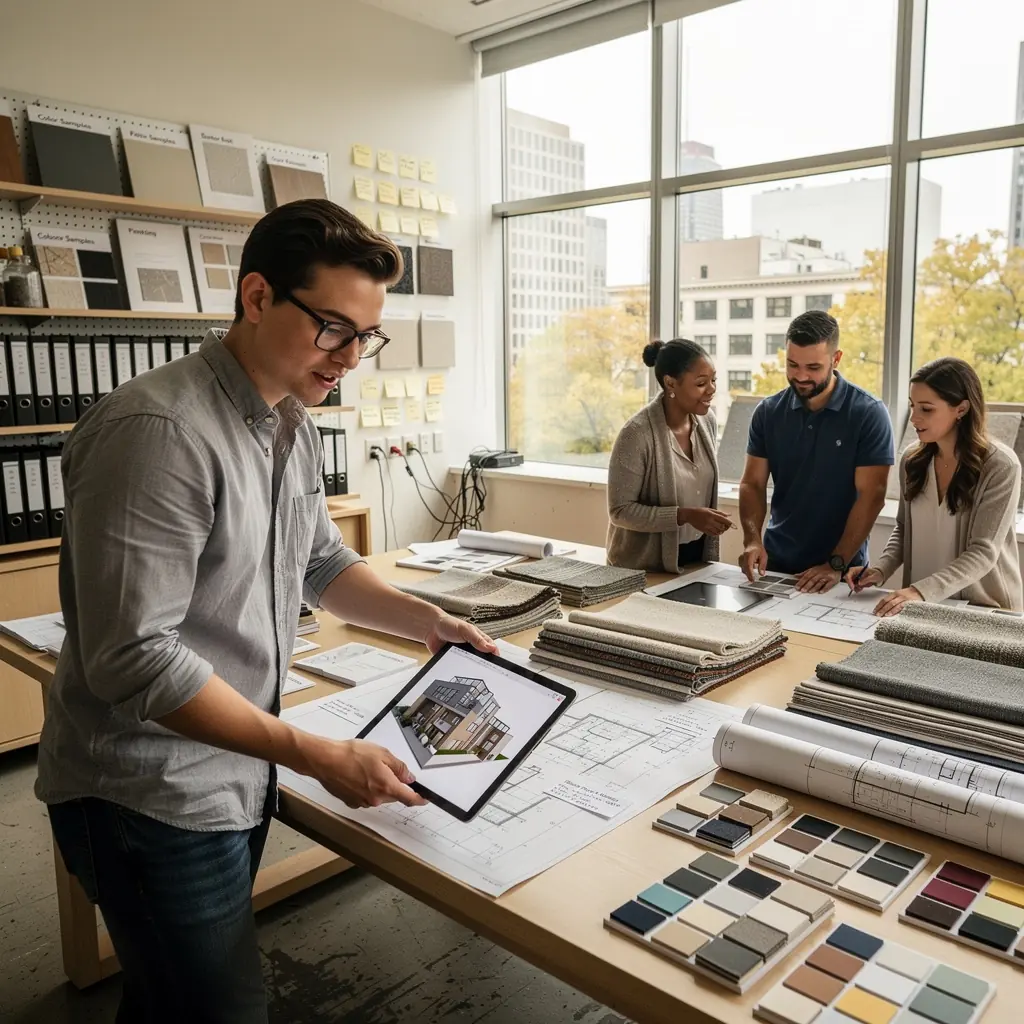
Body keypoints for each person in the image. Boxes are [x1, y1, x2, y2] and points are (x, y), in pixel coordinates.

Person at [34, 199, 497, 1023]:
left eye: (366, 336)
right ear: (256, 297)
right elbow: (135, 659)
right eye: (333, 329)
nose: (352, 357)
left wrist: (428, 623)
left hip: (229, 762)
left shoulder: (289, 419)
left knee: (172, 995)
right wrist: (318, 754)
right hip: (149, 791)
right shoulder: (160, 431)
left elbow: (318, 562)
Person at [847, 357, 1023, 615]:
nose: (914, 418)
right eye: (912, 406)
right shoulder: (911, 460)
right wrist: (880, 569)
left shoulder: (1001, 466)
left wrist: (920, 591)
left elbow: (983, 553)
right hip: (922, 607)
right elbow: (904, 529)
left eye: (926, 409)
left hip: (983, 610)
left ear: (961, 409)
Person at [738, 310, 893, 592]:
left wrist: (835, 564)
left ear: (836, 359)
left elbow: (872, 496)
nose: (800, 376)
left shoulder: (868, 413)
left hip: (841, 573)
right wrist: (752, 540)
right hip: (776, 565)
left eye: (813, 367)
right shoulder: (768, 412)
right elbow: (753, 483)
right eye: (792, 365)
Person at [607, 338, 733, 572]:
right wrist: (683, 515)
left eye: (713, 380)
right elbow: (620, 512)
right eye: (701, 383)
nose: (712, 389)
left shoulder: (707, 421)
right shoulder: (636, 434)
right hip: (644, 568)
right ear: (671, 383)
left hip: (697, 559)